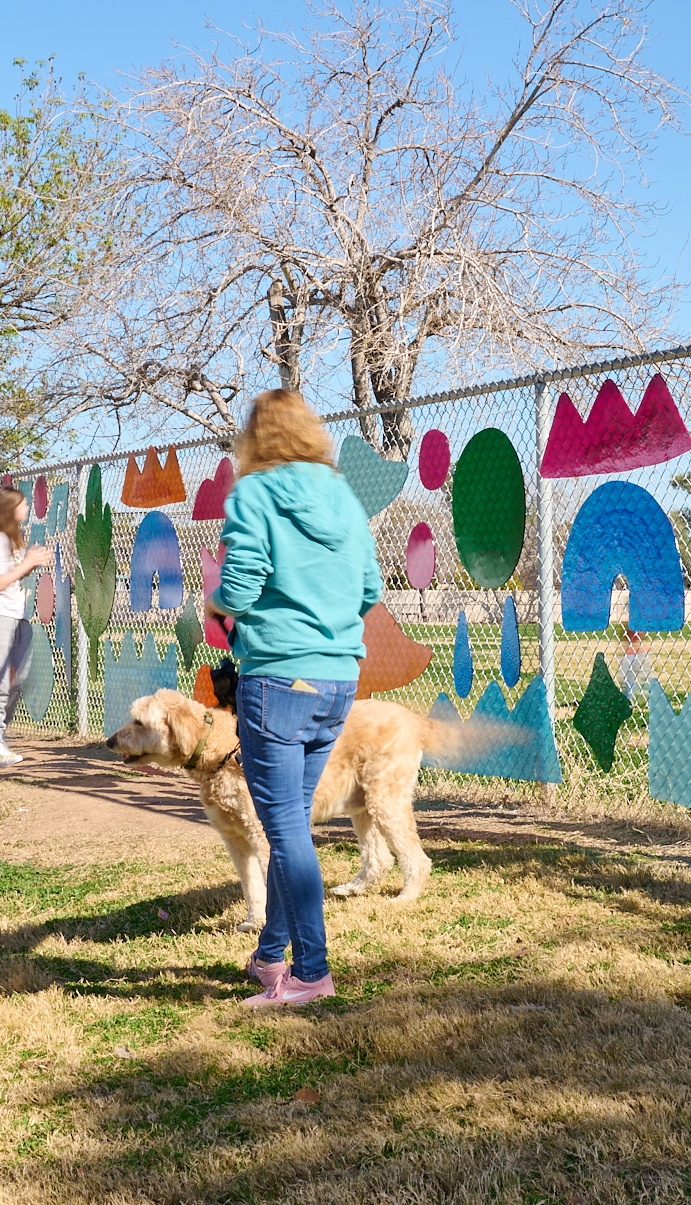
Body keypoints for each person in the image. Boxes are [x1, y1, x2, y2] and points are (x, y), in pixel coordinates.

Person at [208, 389, 383, 1007]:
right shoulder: (342, 494)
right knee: (294, 827)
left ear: (255, 438)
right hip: (337, 679)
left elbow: (243, 579)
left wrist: (219, 607)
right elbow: (370, 586)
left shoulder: (253, 493)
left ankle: (310, 973)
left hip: (277, 680)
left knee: (284, 832)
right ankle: (269, 955)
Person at [0, 486, 51, 767]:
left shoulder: (13, 541)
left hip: (18, 618)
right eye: (23, 504)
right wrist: (27, 563)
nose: (28, 508)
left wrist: (30, 562)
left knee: (18, 680)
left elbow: (11, 577)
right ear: (11, 509)